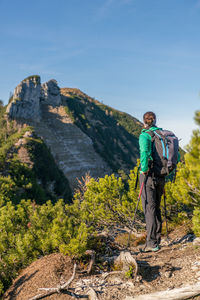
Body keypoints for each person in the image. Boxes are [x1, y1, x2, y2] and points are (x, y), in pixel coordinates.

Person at [139, 111, 165, 252]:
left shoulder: (145, 135)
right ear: (155, 121)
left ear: (144, 121)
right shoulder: (161, 134)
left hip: (149, 176)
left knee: (149, 208)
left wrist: (144, 169)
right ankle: (157, 238)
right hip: (161, 176)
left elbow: (144, 153)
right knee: (157, 207)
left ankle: (151, 243)